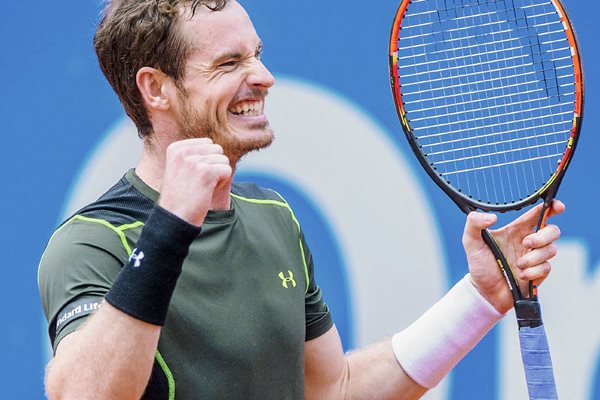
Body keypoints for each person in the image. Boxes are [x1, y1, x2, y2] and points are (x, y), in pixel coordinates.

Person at [37, 1, 564, 399]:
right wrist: (171, 225)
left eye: (257, 55)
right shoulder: (94, 242)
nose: (263, 78)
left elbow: (334, 389)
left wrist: (480, 297)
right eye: (229, 64)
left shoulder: (273, 218)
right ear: (156, 89)